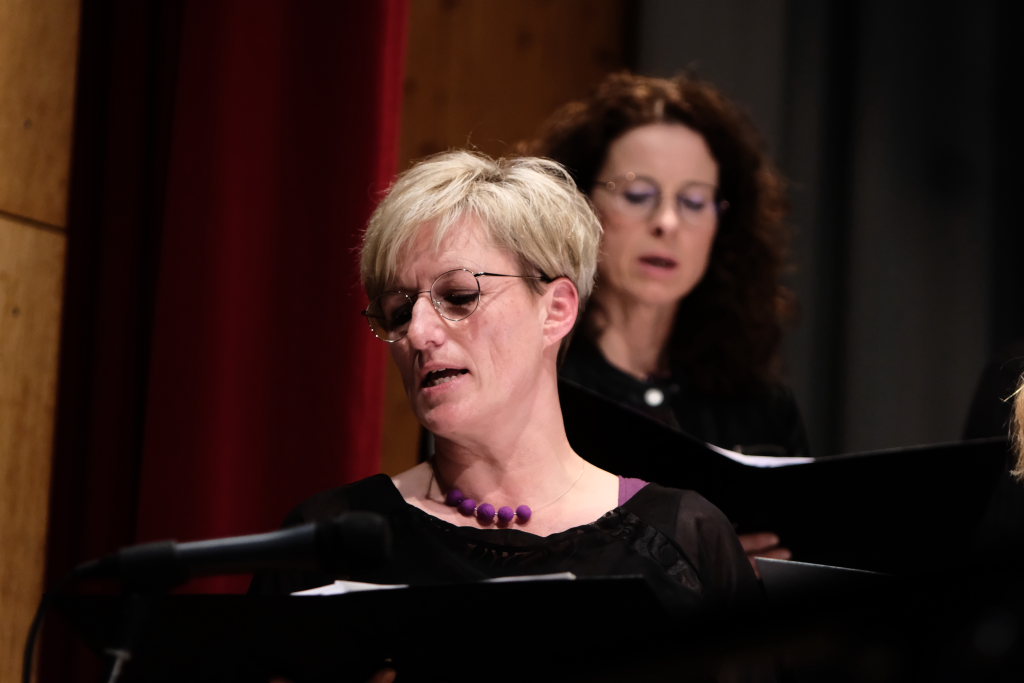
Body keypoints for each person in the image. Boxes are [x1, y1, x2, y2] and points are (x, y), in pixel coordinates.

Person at [249, 151, 760, 676]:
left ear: (556, 309)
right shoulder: (329, 540)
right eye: (400, 312)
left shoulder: (685, 537)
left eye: (458, 296)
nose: (419, 334)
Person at [521, 71, 806, 564]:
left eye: (693, 201)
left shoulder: (759, 403)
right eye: (637, 195)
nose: (667, 223)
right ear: (579, 204)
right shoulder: (529, 382)